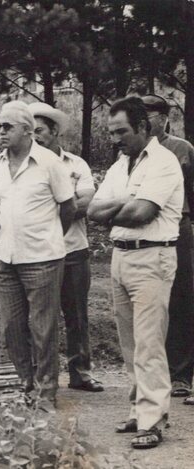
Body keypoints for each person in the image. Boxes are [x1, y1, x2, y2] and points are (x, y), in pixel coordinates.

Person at [88, 97, 183, 450]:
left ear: (143, 126)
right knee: (129, 343)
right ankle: (138, 410)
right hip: (121, 256)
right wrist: (124, 203)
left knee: (149, 343)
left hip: (153, 256)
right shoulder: (119, 165)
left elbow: (141, 213)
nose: (116, 139)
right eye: (112, 133)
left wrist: (117, 207)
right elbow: (92, 209)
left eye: (122, 132)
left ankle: (153, 420)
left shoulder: (164, 161)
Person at [0, 100, 76, 407]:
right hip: (7, 258)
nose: (1, 131)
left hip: (43, 259)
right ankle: (24, 385)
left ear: (28, 130)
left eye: (7, 126)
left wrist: (48, 238)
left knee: (43, 328)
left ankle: (46, 391)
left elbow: (68, 207)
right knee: (12, 327)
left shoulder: (49, 163)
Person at [29, 102, 103, 393]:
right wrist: (65, 204)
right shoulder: (24, 165)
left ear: (55, 131)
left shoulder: (76, 164)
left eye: (40, 131)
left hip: (73, 250)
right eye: (31, 131)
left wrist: (47, 211)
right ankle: (41, 376)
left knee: (77, 315)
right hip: (37, 254)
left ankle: (80, 372)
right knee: (40, 318)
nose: (35, 137)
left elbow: (86, 203)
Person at [141, 94, 194, 400]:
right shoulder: (131, 151)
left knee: (181, 297)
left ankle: (182, 374)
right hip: (143, 228)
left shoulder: (182, 148)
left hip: (178, 226)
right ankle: (152, 374)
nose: (144, 121)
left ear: (163, 118)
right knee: (150, 300)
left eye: (149, 115)